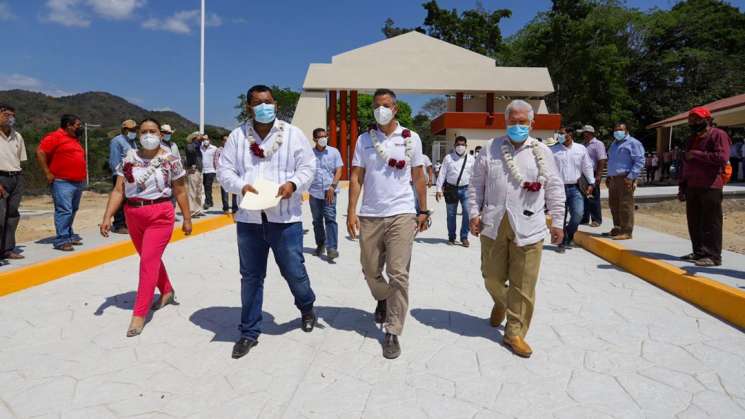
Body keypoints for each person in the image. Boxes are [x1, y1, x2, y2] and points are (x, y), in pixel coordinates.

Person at [218, 84, 318, 360]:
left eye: (269, 101)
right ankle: (249, 331)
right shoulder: (238, 137)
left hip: (285, 218)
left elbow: (308, 167)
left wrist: (293, 183)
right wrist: (241, 186)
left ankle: (307, 306)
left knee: (294, 272)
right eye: (258, 102)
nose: (265, 106)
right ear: (249, 107)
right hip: (249, 219)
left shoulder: (293, 134)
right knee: (251, 277)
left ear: (275, 104)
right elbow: (224, 170)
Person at [468, 100, 565, 358]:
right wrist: (474, 213)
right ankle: (502, 303)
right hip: (494, 222)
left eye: (523, 122)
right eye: (513, 122)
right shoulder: (490, 149)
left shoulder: (543, 152)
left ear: (532, 124)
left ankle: (514, 332)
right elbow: (476, 184)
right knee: (490, 276)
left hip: (530, 225)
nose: (518, 126)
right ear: (505, 122)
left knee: (524, 283)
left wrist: (557, 221)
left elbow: (555, 188)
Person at [347, 88, 429, 359]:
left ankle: (393, 330)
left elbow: (418, 176)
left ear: (395, 109)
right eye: (376, 105)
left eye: (386, 105)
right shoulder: (363, 140)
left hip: (402, 213)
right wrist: (351, 211)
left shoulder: (411, 138)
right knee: (370, 269)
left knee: (398, 272)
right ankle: (382, 297)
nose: (380, 109)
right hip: (370, 214)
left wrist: (423, 210)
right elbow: (357, 176)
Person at [100, 118, 192, 337]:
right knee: (150, 259)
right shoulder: (129, 159)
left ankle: (139, 314)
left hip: (160, 214)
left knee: (147, 262)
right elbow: (118, 191)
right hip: (133, 215)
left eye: (153, 131)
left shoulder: (171, 160)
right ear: (138, 135)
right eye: (144, 131)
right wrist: (107, 216)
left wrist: (187, 218)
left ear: (161, 134)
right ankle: (167, 291)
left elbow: (180, 190)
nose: (148, 135)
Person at [678, 107, 731, 267]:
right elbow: (686, 164)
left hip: (710, 185)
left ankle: (713, 256)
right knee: (694, 221)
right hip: (692, 185)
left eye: (697, 119)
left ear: (708, 119)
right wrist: (682, 186)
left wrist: (696, 154)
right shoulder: (691, 138)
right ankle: (699, 251)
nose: (694, 122)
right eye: (691, 120)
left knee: (711, 222)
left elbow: (722, 158)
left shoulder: (718, 135)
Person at [36, 114, 87, 251]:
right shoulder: (55, 136)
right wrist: (47, 172)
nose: (80, 127)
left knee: (72, 210)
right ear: (69, 126)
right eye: (78, 125)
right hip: (62, 181)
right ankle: (62, 240)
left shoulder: (75, 139)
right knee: (64, 210)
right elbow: (40, 152)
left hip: (77, 181)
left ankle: (68, 234)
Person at [550, 127, 594, 252]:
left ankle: (569, 234)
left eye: (562, 134)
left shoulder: (581, 149)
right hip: (558, 188)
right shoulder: (553, 150)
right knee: (560, 217)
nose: (559, 136)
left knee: (578, 215)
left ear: (570, 134)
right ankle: (562, 242)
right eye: (559, 134)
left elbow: (587, 166)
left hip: (575, 188)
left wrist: (592, 183)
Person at [604, 123, 645, 240]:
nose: (617, 132)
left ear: (626, 131)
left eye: (620, 130)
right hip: (613, 179)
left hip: (625, 178)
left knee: (625, 205)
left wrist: (631, 177)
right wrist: (609, 175)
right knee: (614, 205)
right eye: (616, 130)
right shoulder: (614, 144)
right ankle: (617, 228)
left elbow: (640, 161)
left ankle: (627, 231)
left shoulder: (633, 143)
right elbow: (612, 161)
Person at [308, 127, 343, 260]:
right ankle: (320, 244)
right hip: (314, 193)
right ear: (315, 139)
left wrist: (332, 187)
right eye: (320, 137)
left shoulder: (334, 152)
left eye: (325, 136)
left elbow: (339, 170)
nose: (324, 138)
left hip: (330, 191)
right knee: (317, 221)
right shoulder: (309, 154)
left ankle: (332, 248)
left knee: (330, 218)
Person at [435, 136, 474, 247]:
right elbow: (442, 173)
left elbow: (475, 176)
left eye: (462, 144)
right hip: (451, 189)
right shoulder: (448, 158)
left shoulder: (471, 159)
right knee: (451, 215)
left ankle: (464, 237)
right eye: (458, 144)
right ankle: (451, 237)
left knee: (467, 213)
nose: (460, 147)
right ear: (454, 146)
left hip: (466, 189)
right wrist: (438, 189)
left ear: (466, 146)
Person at [0, 104, 27, 263]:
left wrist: (19, 179)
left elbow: (19, 160)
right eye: (5, 114)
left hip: (16, 177)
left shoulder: (18, 136)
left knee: (12, 215)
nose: (9, 118)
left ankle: (8, 249)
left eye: (12, 115)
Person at [108, 119, 138, 234]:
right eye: (132, 130)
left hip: (131, 175)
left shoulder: (133, 142)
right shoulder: (117, 141)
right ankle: (119, 224)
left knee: (129, 201)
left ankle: (127, 222)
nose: (134, 131)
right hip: (120, 175)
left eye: (135, 129)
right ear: (125, 130)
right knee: (120, 201)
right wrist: (119, 175)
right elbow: (114, 161)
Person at [579, 125, 607, 227]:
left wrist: (598, 175)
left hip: (593, 173)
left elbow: (602, 160)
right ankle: (584, 218)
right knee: (584, 197)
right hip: (583, 174)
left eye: (584, 133)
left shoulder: (598, 144)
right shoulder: (583, 145)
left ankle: (596, 219)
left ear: (589, 133)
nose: (582, 134)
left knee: (593, 196)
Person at [185, 132, 205, 217]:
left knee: (199, 191)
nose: (201, 138)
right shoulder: (190, 145)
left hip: (199, 171)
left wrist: (199, 141)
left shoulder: (198, 147)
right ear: (194, 138)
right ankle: (191, 211)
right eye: (199, 136)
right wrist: (197, 141)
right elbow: (191, 150)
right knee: (192, 191)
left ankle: (198, 210)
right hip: (193, 170)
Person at [217, 135, 238, 214]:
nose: (226, 142)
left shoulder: (234, 149)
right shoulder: (219, 150)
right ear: (222, 141)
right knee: (224, 191)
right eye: (225, 140)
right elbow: (216, 161)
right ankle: (225, 208)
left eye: (227, 140)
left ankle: (235, 208)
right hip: (223, 173)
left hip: (234, 173)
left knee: (235, 190)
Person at [200, 135, 219, 210]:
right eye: (204, 139)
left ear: (209, 140)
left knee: (208, 185)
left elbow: (217, 158)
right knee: (206, 186)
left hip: (211, 170)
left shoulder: (214, 148)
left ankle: (207, 202)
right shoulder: (200, 148)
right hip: (203, 170)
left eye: (207, 139)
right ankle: (210, 201)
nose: (205, 141)